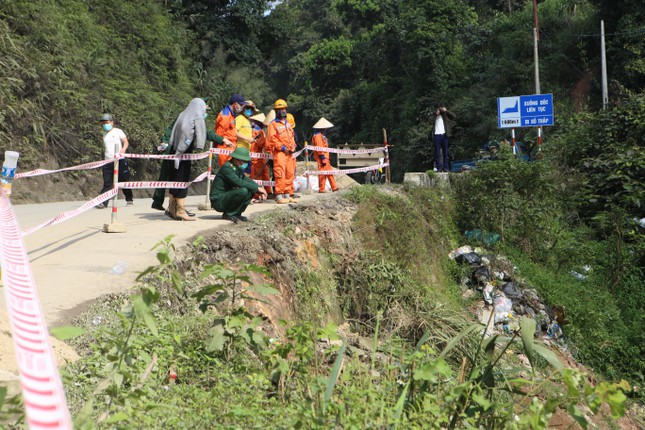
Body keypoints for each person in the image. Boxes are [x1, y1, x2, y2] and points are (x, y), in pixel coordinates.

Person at [151, 111, 232, 213]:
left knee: (170, 178)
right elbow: (205, 133)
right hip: (178, 152)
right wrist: (222, 139)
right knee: (177, 179)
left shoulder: (183, 116)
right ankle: (176, 208)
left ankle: (168, 206)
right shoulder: (190, 119)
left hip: (176, 151)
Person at [166, 98, 209, 221]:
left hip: (175, 150)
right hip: (183, 152)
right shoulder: (197, 116)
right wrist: (199, 145)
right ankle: (180, 210)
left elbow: (174, 132)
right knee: (182, 180)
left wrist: (175, 146)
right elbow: (201, 131)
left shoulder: (183, 114)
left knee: (174, 179)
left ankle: (171, 209)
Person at [210, 147, 267, 223]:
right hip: (218, 200)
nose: (245, 163)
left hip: (226, 197)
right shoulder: (227, 168)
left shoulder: (236, 168)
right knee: (243, 191)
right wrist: (257, 188)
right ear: (237, 160)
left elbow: (245, 179)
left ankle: (237, 213)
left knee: (250, 190)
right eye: (244, 161)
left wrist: (258, 188)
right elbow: (239, 182)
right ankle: (229, 214)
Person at [97, 114, 133, 208]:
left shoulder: (118, 131)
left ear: (112, 122)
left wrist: (123, 150)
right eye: (103, 123)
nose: (105, 124)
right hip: (108, 161)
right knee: (108, 183)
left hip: (119, 160)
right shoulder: (104, 134)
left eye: (107, 122)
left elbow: (125, 142)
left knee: (123, 180)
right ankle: (103, 202)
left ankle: (129, 199)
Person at [265, 99, 297, 204]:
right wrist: (283, 148)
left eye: (284, 109)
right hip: (280, 152)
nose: (282, 111)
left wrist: (293, 146)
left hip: (289, 152)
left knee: (289, 173)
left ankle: (287, 194)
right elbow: (273, 139)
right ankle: (279, 195)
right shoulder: (273, 124)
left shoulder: (287, 123)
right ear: (276, 111)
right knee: (280, 173)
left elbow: (291, 136)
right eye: (280, 109)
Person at [215, 93, 245, 167]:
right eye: (241, 105)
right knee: (226, 170)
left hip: (230, 147)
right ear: (235, 104)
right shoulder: (226, 115)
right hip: (225, 148)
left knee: (231, 170)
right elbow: (219, 133)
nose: (242, 107)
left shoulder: (231, 114)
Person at [312, 117, 339, 193]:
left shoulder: (321, 135)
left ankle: (325, 188)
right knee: (325, 172)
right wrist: (322, 157)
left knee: (325, 172)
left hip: (324, 157)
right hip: (322, 157)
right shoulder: (318, 136)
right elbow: (320, 147)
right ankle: (330, 188)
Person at [249, 112, 273, 198]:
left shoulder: (259, 131)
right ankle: (257, 194)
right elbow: (260, 143)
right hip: (255, 157)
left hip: (260, 156)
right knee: (257, 176)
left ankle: (268, 192)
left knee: (264, 175)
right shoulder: (257, 131)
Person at [432, 103, 457, 172]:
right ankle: (438, 168)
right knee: (437, 153)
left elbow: (454, 116)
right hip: (436, 135)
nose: (439, 109)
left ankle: (446, 168)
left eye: (440, 108)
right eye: (438, 108)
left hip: (444, 135)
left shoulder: (445, 115)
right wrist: (435, 115)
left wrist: (446, 111)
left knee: (445, 152)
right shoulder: (434, 115)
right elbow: (429, 121)